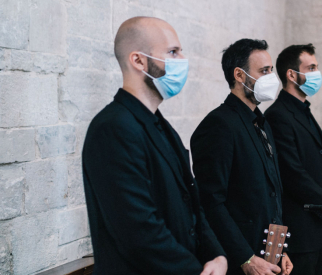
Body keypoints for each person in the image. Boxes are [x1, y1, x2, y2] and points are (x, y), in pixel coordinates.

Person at [82, 17, 228, 275]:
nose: (183, 59)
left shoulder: (162, 126)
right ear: (138, 61)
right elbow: (138, 232)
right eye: (173, 52)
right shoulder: (112, 129)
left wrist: (216, 255)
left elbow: (193, 204)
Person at [191, 39, 293, 275]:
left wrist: (280, 250)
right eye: (264, 71)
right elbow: (211, 202)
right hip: (239, 262)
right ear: (239, 74)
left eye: (271, 70)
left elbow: (272, 194)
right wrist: (245, 258)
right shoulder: (219, 125)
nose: (272, 78)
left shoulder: (262, 123)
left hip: (269, 257)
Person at [265, 44, 322, 275]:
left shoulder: (303, 110)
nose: (316, 73)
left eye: (316, 67)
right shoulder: (278, 115)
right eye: (311, 68)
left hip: (318, 225)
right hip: (298, 230)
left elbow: (321, 167)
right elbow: (292, 173)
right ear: (291, 74)